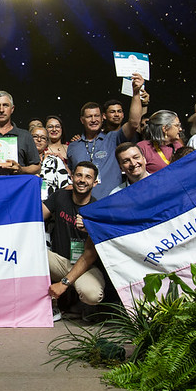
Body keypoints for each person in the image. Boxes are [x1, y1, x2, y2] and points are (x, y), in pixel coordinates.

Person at [67, 73, 144, 198]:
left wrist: (136, 93)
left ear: (102, 117)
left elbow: (134, 123)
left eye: (96, 116)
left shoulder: (113, 138)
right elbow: (70, 175)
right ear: (82, 120)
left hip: (113, 201)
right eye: (89, 116)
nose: (93, 120)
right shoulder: (73, 146)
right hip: (83, 204)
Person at [44, 161, 105, 309]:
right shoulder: (60, 196)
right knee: (29, 254)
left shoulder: (97, 210)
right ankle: (42, 305)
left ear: (95, 182)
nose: (82, 180)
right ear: (72, 177)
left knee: (92, 294)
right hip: (59, 262)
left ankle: (81, 306)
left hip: (86, 267)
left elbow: (90, 255)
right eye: (79, 175)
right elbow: (35, 216)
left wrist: (64, 283)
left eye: (88, 177)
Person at [31, 126, 70, 200]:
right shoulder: (21, 161)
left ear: (47, 143)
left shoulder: (55, 161)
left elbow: (66, 187)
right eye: (35, 136)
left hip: (50, 204)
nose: (39, 140)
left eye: (43, 138)